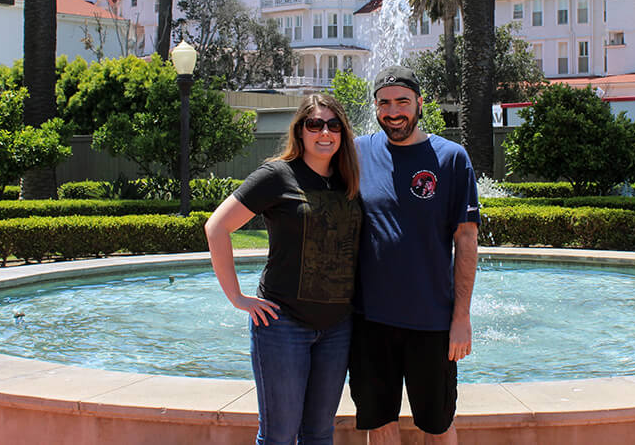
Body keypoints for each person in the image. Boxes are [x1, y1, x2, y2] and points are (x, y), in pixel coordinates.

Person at [205, 93, 362, 445]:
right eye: (315, 124)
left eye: (333, 125)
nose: (325, 132)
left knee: (320, 434)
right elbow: (217, 227)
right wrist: (237, 298)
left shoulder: (348, 180)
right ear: (300, 130)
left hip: (337, 327)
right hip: (282, 325)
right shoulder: (277, 175)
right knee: (279, 435)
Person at [350, 66, 480, 445]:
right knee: (379, 422)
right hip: (369, 320)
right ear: (375, 107)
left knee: (436, 425)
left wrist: (461, 317)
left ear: (420, 104)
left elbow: (467, 239)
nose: (394, 111)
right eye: (385, 103)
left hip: (432, 322)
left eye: (402, 102)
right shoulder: (357, 153)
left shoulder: (451, 158)